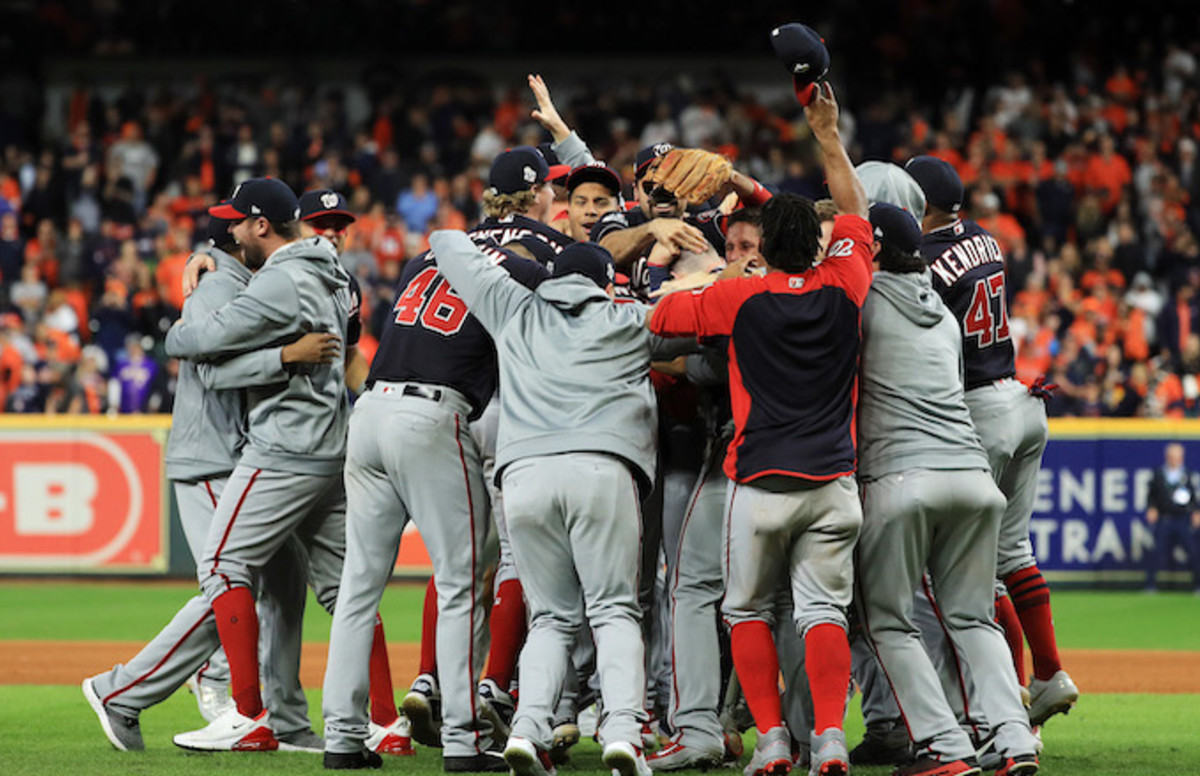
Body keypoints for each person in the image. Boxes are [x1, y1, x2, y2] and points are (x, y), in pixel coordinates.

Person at [648, 82, 869, 776]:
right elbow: (855, 211)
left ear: (767, 246)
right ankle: (828, 739)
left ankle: (772, 739)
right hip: (834, 481)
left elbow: (657, 322)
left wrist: (681, 272)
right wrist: (827, 137)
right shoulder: (848, 283)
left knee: (744, 613)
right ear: (822, 245)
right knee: (823, 614)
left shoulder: (737, 294)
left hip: (759, 480)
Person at [82, 207, 340, 753]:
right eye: (240, 225)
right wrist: (285, 357)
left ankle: (284, 719)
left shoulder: (258, 280)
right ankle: (126, 690)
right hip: (213, 456)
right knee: (226, 584)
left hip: (249, 455)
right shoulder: (218, 285)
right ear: (243, 235)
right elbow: (203, 364)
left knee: (282, 592)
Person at [429, 228, 671, 776]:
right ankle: (624, 734)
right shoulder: (628, 318)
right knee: (612, 610)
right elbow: (693, 330)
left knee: (551, 619)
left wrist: (536, 276)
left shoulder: (512, 305)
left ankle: (528, 727)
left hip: (525, 478)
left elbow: (446, 241)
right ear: (608, 286)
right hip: (601, 470)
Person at [162, 178, 353, 753]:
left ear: (262, 225)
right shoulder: (336, 275)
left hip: (284, 448)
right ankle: (381, 723)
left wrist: (278, 355)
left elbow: (190, 345)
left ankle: (243, 712)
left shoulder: (277, 279)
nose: (229, 232)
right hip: (331, 446)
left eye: (237, 223)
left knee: (222, 567)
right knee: (347, 591)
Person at [854, 201, 1040, 776]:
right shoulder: (943, 309)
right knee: (973, 617)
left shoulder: (862, 301)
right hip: (975, 481)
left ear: (875, 249)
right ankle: (1013, 740)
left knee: (887, 621)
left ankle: (943, 745)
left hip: (905, 477)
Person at [905, 155, 1079, 727]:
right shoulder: (984, 238)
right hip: (1022, 400)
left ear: (922, 203)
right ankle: (1050, 672)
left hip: (979, 407)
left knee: (964, 568)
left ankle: (1005, 698)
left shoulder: (925, 258)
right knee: (1013, 554)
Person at [1145, 442, 1200, 592]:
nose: (1175, 460)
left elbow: (1192, 497)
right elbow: (1151, 496)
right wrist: (1151, 508)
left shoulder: (1185, 475)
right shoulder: (1159, 474)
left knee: (1193, 552)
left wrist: (1196, 512)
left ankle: (1197, 585)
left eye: (1178, 457)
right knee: (1156, 552)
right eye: (1172, 457)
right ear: (1167, 457)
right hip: (1164, 519)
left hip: (1182, 519)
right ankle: (1150, 585)